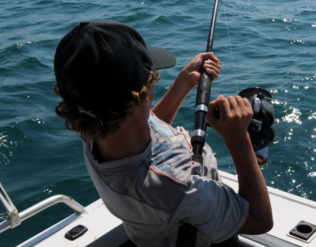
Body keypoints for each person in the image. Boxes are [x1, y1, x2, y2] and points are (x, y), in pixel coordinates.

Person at [54, 20, 273, 247]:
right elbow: (259, 221)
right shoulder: (175, 187)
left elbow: (144, 127)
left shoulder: (95, 129)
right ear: (143, 95)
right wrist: (238, 138)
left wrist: (185, 81)